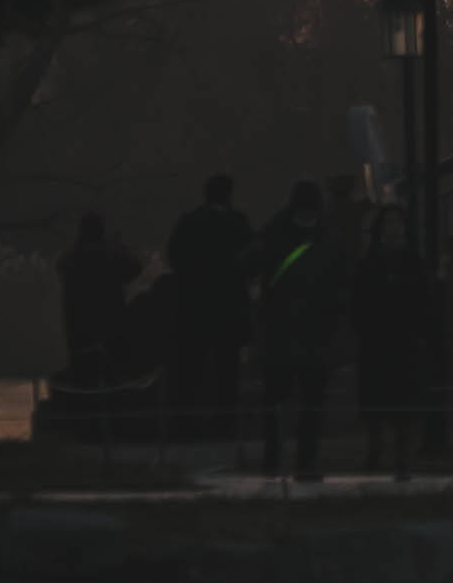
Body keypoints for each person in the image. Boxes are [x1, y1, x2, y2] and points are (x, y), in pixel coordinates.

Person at [248, 181, 347, 483]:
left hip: (295, 330)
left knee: (296, 401)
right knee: (298, 401)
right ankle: (294, 459)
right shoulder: (328, 238)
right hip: (298, 331)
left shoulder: (273, 234)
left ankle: (288, 459)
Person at [161, 172, 257, 456]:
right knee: (227, 370)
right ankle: (224, 425)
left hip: (194, 306)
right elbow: (251, 261)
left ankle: (185, 425)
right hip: (227, 307)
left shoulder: (189, 222)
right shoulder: (237, 224)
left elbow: (173, 257)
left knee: (190, 369)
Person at [349, 208, 444, 480]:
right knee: (376, 404)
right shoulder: (368, 265)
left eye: (398, 226)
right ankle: (375, 450)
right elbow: (358, 304)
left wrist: (422, 331)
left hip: (406, 343)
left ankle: (403, 458)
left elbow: (425, 303)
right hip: (376, 343)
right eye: (389, 226)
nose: (393, 231)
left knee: (406, 404)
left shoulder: (413, 263)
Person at [56, 209, 139, 391]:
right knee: (114, 375)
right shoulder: (110, 253)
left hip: (79, 324)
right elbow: (134, 269)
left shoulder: (72, 256)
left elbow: (60, 267)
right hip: (110, 322)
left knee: (83, 376)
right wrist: (120, 247)